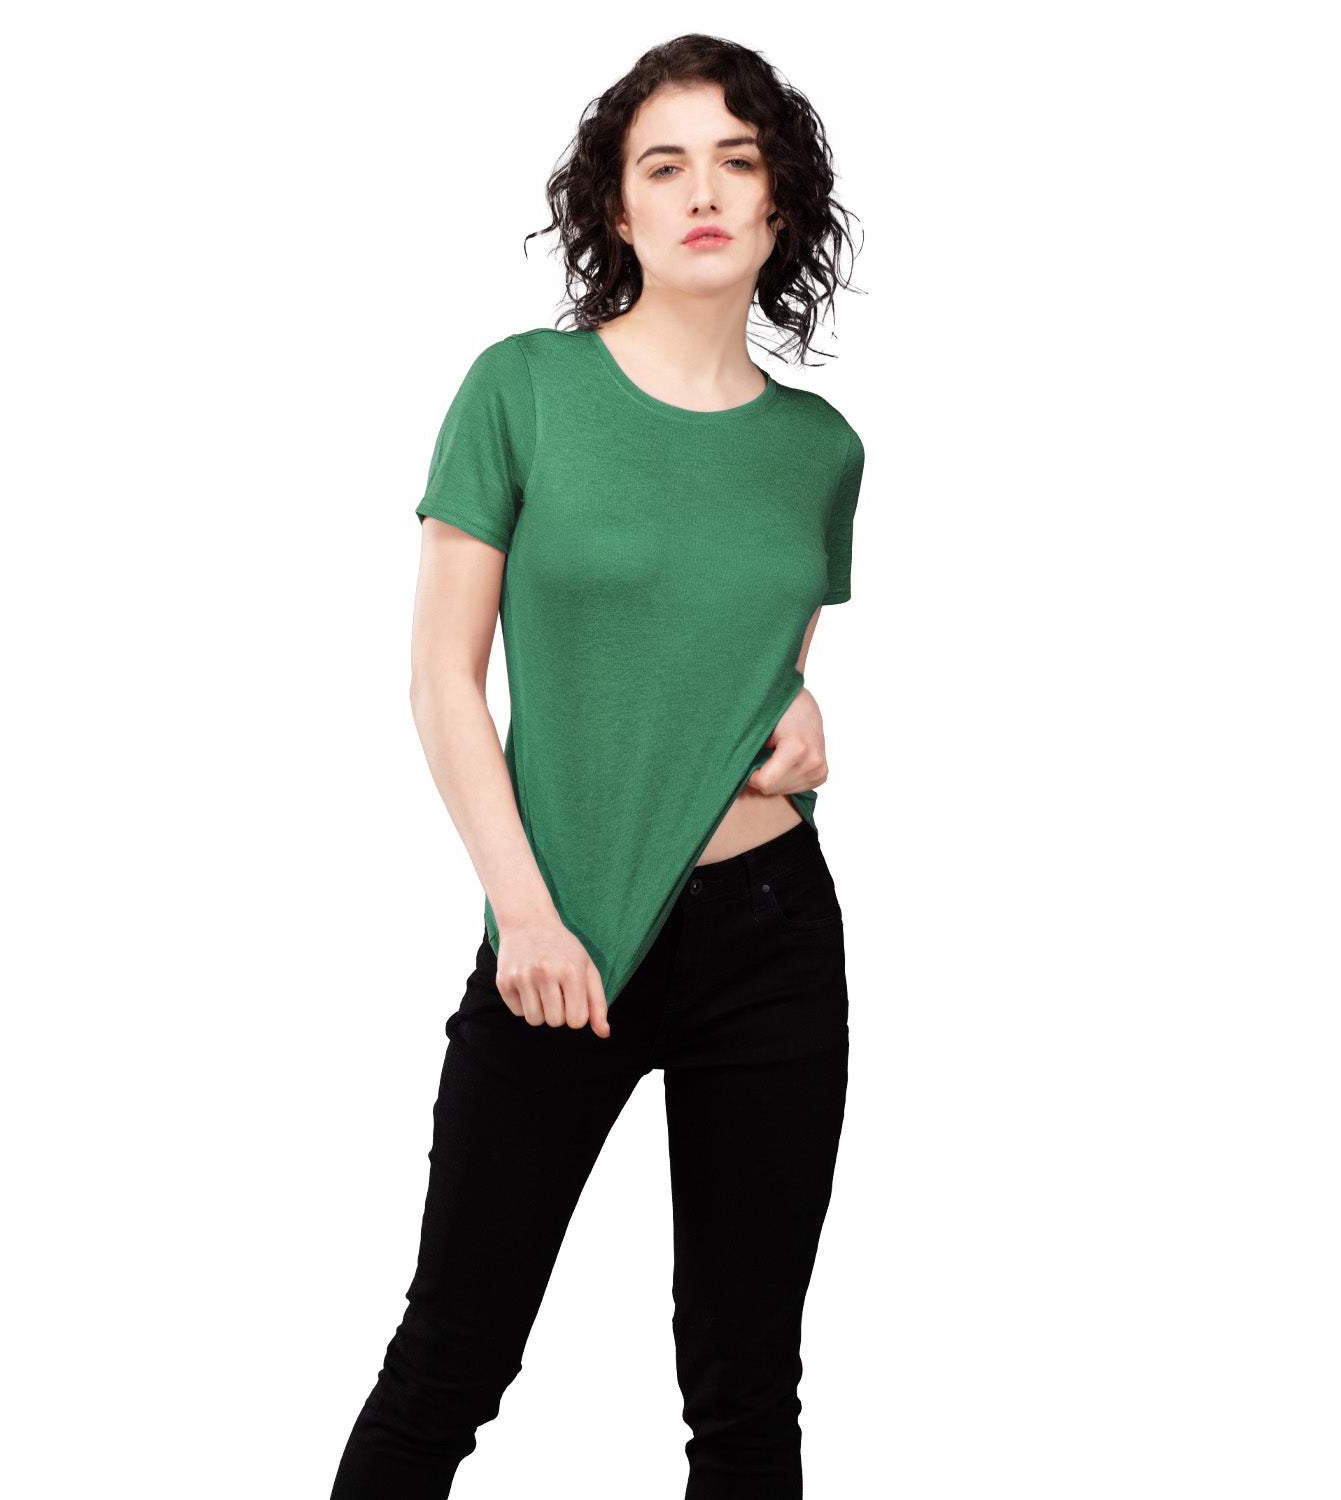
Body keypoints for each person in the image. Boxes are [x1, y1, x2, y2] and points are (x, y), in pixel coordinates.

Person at [329, 32, 866, 1500]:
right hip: (558, 932)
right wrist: (526, 915)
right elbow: (442, 680)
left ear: (779, 202)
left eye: (738, 162)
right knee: (450, 1361)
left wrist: (803, 717)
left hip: (772, 934)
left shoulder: (821, 449)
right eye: (665, 165)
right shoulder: (523, 389)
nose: (704, 192)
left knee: (747, 1394)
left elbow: (751, 662)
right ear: (616, 209)